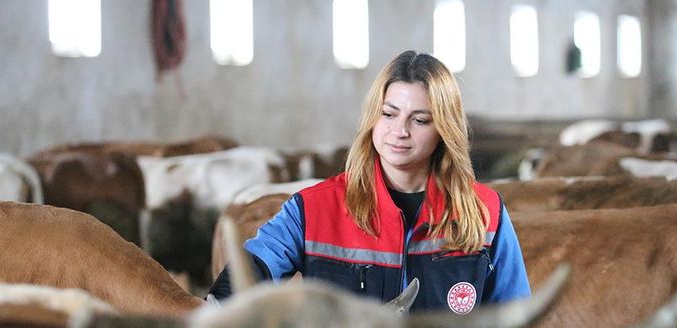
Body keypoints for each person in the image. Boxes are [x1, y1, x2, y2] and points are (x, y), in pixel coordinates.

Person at [209, 50, 530, 314]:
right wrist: (213, 310)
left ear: (445, 128)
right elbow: (254, 266)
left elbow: (512, 314)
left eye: (419, 120)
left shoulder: (486, 212)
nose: (399, 131)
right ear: (373, 118)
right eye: (389, 114)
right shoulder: (312, 209)